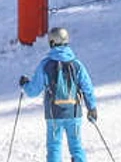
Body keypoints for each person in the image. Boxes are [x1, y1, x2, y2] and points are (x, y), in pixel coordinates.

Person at [20, 27, 98, 162]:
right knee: (76, 146)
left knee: (54, 147)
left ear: (52, 42)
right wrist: (92, 107)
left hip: (53, 113)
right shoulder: (76, 64)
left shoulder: (46, 65)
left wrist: (25, 84)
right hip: (74, 112)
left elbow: (33, 90)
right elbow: (87, 87)